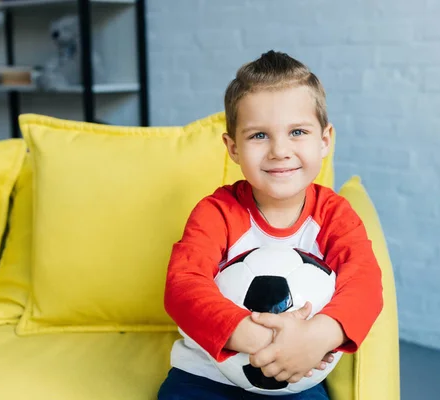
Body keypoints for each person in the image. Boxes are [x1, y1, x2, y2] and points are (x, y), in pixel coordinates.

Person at [158, 50, 383, 400]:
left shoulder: (335, 216)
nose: (280, 150)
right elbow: (183, 288)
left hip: (299, 378)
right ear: (232, 148)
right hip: (205, 377)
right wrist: (263, 341)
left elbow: (365, 284)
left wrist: (316, 338)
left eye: (297, 131)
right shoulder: (216, 213)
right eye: (259, 135)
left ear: (324, 140)